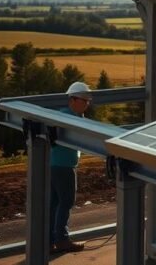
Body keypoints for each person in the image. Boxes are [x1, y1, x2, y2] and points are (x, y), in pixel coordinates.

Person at [50, 81, 91, 253]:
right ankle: (61, 240)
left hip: (54, 165)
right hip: (64, 166)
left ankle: (49, 240)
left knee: (54, 203)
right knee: (66, 202)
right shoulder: (69, 119)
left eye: (88, 100)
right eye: (84, 100)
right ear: (73, 100)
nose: (87, 103)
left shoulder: (66, 116)